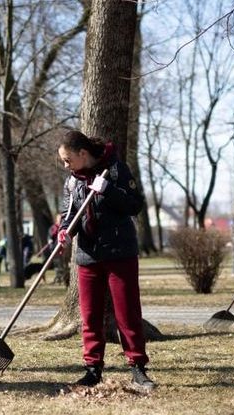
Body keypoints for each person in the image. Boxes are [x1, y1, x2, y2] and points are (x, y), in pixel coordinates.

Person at [56, 129, 153, 391]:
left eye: (68, 160)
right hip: (88, 255)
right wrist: (64, 231)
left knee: (127, 313)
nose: (66, 166)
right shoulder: (72, 183)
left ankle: (137, 367)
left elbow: (134, 205)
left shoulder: (115, 170)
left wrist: (108, 189)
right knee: (90, 316)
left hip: (120, 252)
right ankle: (92, 368)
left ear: (82, 153)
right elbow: (68, 216)